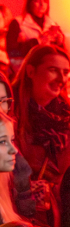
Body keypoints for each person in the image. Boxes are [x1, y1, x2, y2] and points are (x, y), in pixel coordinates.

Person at [10, 44, 70, 190]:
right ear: (31, 71)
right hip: (17, 195)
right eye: (53, 70)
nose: (61, 79)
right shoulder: (9, 109)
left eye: (66, 72)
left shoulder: (66, 114)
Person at [7, 0, 65, 76]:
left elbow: (61, 55)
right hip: (23, 72)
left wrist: (60, 43)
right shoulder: (17, 23)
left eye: (45, 1)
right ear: (29, 3)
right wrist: (37, 41)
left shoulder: (52, 24)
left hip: (47, 73)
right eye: (37, 1)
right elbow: (12, 52)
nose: (42, 5)